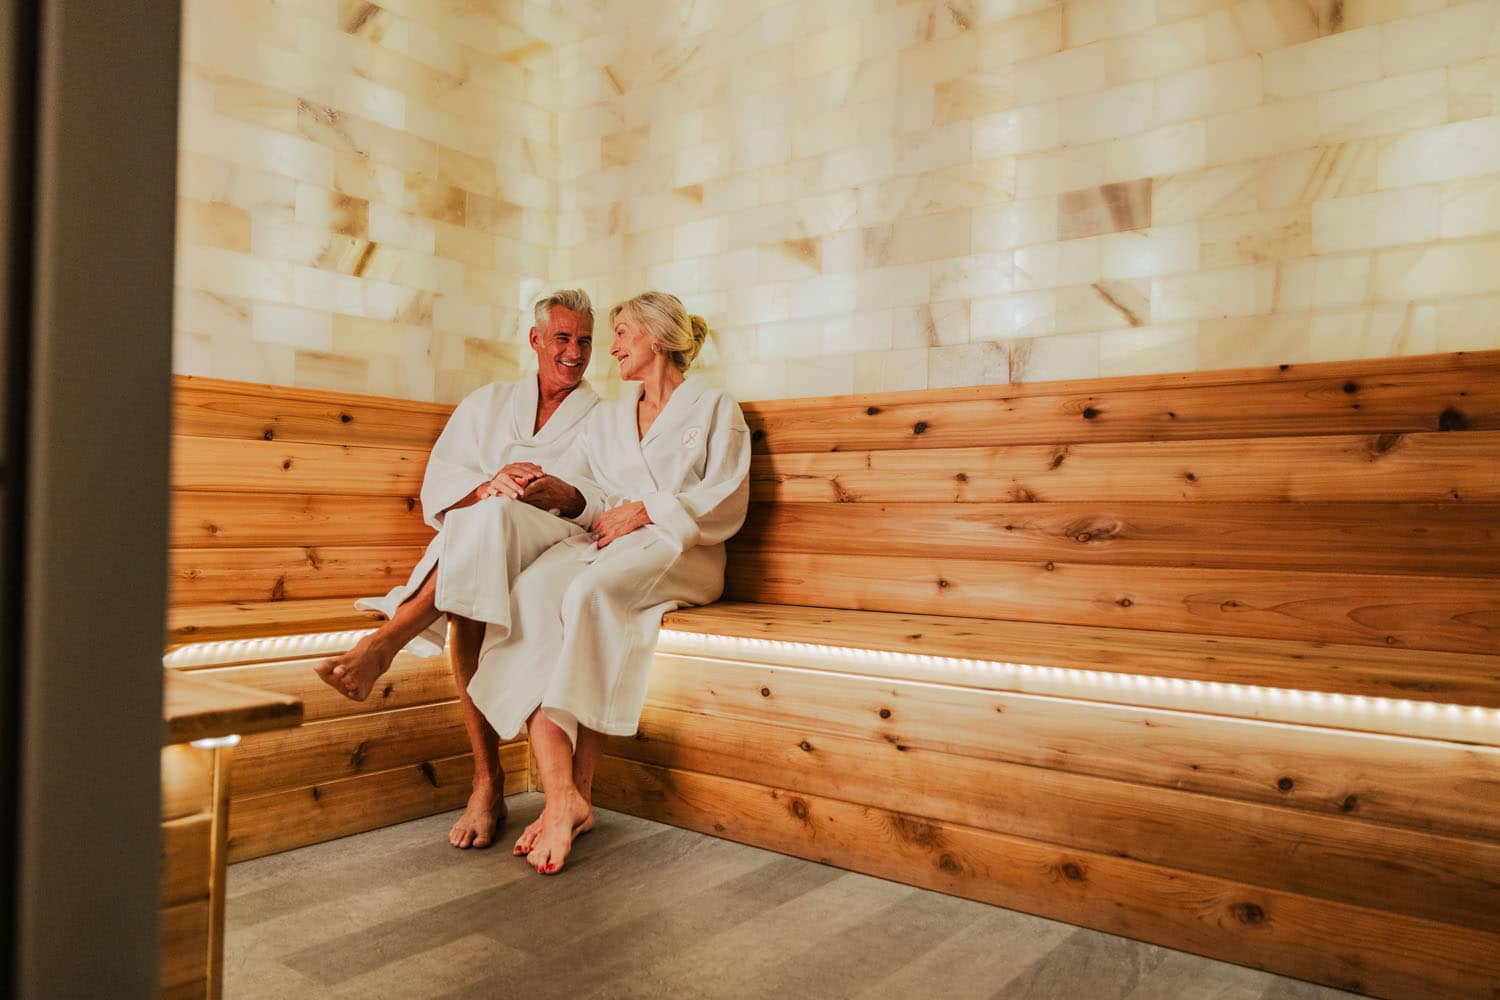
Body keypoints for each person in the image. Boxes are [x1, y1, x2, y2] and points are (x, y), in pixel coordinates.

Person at [466, 290, 752, 875]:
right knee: (535, 592)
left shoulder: (716, 408)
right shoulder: (611, 416)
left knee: (588, 595)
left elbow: (725, 496)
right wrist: (561, 495)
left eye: (621, 332)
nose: (611, 347)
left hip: (685, 550)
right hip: (614, 542)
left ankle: (577, 791)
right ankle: (563, 793)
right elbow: (595, 494)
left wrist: (646, 510)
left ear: (656, 336)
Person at [314, 288, 603, 850]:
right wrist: (486, 487)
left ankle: (387, 641)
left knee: (485, 538)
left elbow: (610, 496)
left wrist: (564, 494)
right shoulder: (486, 404)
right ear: (535, 339)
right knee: (482, 544)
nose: (575, 352)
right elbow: (440, 489)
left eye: (586, 340)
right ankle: (486, 778)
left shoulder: (605, 417)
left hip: (561, 540)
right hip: (482, 539)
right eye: (563, 338)